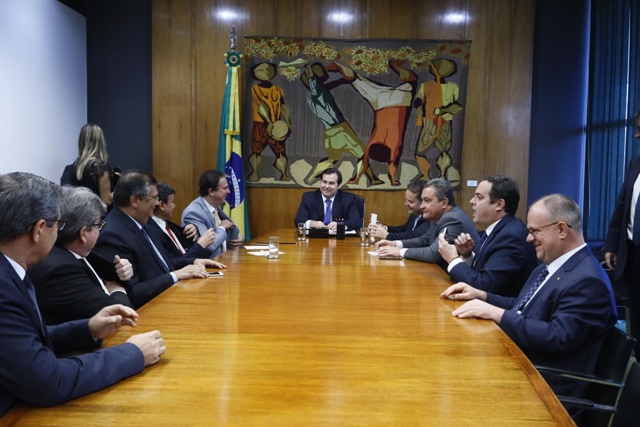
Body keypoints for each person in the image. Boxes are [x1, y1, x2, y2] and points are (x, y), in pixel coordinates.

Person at [0, 172, 165, 417]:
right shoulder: (3, 287)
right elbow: (48, 382)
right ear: (38, 230)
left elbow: (23, 342)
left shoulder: (10, 269)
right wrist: (132, 354)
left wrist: (88, 329)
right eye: (57, 224)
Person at [441, 194, 617, 399]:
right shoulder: (548, 267)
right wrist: (481, 296)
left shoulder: (588, 281)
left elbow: (557, 337)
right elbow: (523, 306)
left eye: (534, 231)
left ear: (561, 229)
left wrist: (497, 314)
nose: (528, 238)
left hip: (545, 387)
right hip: (521, 362)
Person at [93, 171, 226, 308]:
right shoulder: (113, 235)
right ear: (135, 201)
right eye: (154, 198)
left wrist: (194, 261)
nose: (157, 203)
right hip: (153, 309)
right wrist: (175, 275)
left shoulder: (144, 221)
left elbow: (165, 261)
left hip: (172, 296)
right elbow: (134, 293)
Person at [28, 187, 134, 325]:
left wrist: (122, 272)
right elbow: (121, 315)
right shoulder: (59, 270)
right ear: (83, 233)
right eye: (98, 225)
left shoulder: (74, 250)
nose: (100, 231)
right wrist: (117, 290)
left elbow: (111, 274)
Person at [437, 176, 538, 296]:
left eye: (479, 197)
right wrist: (467, 256)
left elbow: (483, 286)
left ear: (499, 204)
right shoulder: (499, 229)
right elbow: (482, 273)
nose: (472, 201)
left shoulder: (511, 236)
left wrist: (452, 259)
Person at [328, 60, 418, 186]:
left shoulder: (393, 146)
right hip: (381, 101)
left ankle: (395, 65)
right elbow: (364, 160)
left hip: (399, 100)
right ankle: (338, 64)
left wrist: (393, 180)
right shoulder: (373, 142)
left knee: (412, 80)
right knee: (354, 79)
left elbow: (391, 164)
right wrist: (356, 179)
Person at [376, 178, 479, 266]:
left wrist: (400, 252)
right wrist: (394, 244)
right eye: (422, 200)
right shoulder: (438, 216)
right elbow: (424, 240)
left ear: (444, 203)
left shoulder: (452, 219)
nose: (422, 206)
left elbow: (433, 254)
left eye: (427, 200)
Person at [605, 111, 640, 353]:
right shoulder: (635, 163)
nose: (636, 135)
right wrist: (612, 245)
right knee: (636, 312)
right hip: (633, 252)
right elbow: (622, 205)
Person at [247, 62, 293, 182]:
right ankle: (254, 172)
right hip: (260, 124)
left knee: (280, 151)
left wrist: (288, 121)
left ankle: (283, 173)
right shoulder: (255, 89)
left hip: (276, 125)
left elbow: (283, 106)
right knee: (256, 150)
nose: (265, 72)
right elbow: (261, 107)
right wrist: (269, 123)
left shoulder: (278, 89)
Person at [181, 170, 243, 258]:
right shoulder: (193, 213)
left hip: (225, 259)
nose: (228, 191)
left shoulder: (215, 206)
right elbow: (209, 245)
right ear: (211, 192)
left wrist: (238, 237)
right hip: (207, 264)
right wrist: (222, 228)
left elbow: (223, 234)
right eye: (225, 188)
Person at [147, 182, 214, 259]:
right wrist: (201, 244)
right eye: (172, 202)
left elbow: (185, 246)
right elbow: (175, 262)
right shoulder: (152, 232)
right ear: (162, 205)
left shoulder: (168, 226)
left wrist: (194, 228)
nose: (174, 206)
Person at [60, 124, 119, 207]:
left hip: (78, 212)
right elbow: (107, 200)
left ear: (81, 141)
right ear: (100, 142)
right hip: (97, 213)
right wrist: (121, 188)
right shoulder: (100, 166)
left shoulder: (72, 168)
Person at [294, 167, 361, 231]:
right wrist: (311, 223)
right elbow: (299, 220)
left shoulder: (349, 199)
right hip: (316, 237)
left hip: (338, 237)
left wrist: (340, 225)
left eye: (331, 183)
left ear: (338, 186)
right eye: (324, 182)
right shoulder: (308, 198)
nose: (326, 186)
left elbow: (356, 221)